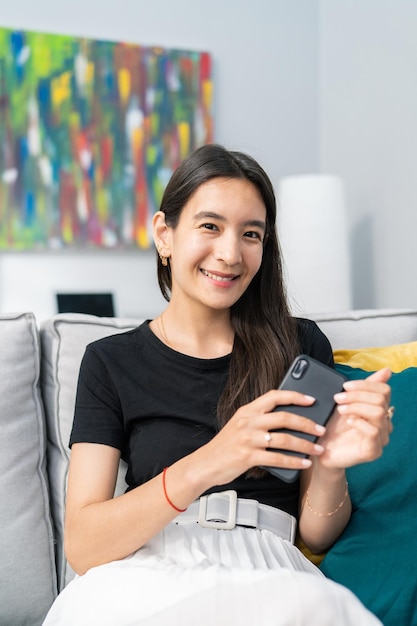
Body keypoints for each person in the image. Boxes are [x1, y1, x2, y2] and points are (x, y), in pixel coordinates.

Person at [43, 144, 393, 625]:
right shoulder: (110, 361)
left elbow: (316, 536)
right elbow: (83, 545)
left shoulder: (301, 345)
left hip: (269, 568)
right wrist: (213, 459)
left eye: (251, 234)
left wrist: (331, 467)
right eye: (210, 226)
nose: (230, 254)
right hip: (146, 568)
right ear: (164, 234)